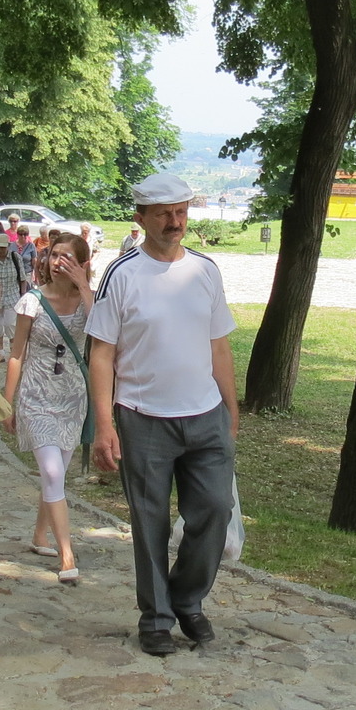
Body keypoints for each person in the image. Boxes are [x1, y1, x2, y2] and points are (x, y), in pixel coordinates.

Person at [88, 172, 239, 656]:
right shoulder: (122, 274)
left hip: (206, 414)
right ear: (141, 217)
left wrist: (231, 409)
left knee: (214, 508)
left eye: (181, 212)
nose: (175, 222)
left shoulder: (206, 271)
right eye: (164, 214)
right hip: (143, 415)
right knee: (149, 520)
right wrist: (105, 425)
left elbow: (219, 345)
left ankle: (187, 599)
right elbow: (101, 354)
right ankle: (155, 618)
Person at [2, 233, 92, 584]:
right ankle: (67, 554)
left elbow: (104, 335)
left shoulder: (89, 302)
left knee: (56, 473)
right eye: (54, 255)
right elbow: (16, 354)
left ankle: (40, 535)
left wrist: (84, 286)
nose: (57, 262)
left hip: (72, 398)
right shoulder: (32, 301)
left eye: (67, 257)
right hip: (36, 395)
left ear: (82, 263)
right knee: (53, 473)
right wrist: (7, 401)